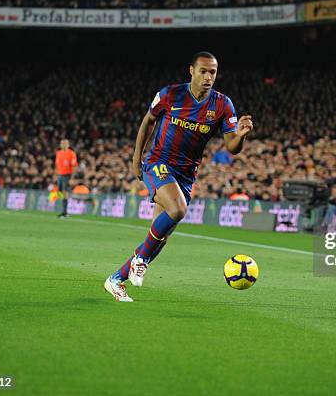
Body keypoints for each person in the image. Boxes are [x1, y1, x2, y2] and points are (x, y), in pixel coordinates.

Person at [104, 51, 254, 302]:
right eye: (204, 71)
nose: (208, 77)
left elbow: (232, 147)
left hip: (185, 174)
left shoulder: (222, 105)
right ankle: (139, 261)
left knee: (160, 237)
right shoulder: (170, 94)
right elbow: (147, 121)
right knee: (178, 210)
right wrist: (136, 158)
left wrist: (241, 135)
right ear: (192, 71)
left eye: (213, 72)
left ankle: (116, 280)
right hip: (158, 162)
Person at [54, 139, 78, 218]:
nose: (64, 145)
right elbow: (57, 165)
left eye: (65, 143)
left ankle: (65, 212)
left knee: (65, 192)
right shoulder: (58, 153)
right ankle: (64, 209)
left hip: (67, 175)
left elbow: (74, 166)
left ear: (68, 145)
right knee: (60, 192)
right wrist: (56, 174)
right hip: (60, 175)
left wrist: (72, 178)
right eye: (62, 143)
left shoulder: (71, 153)